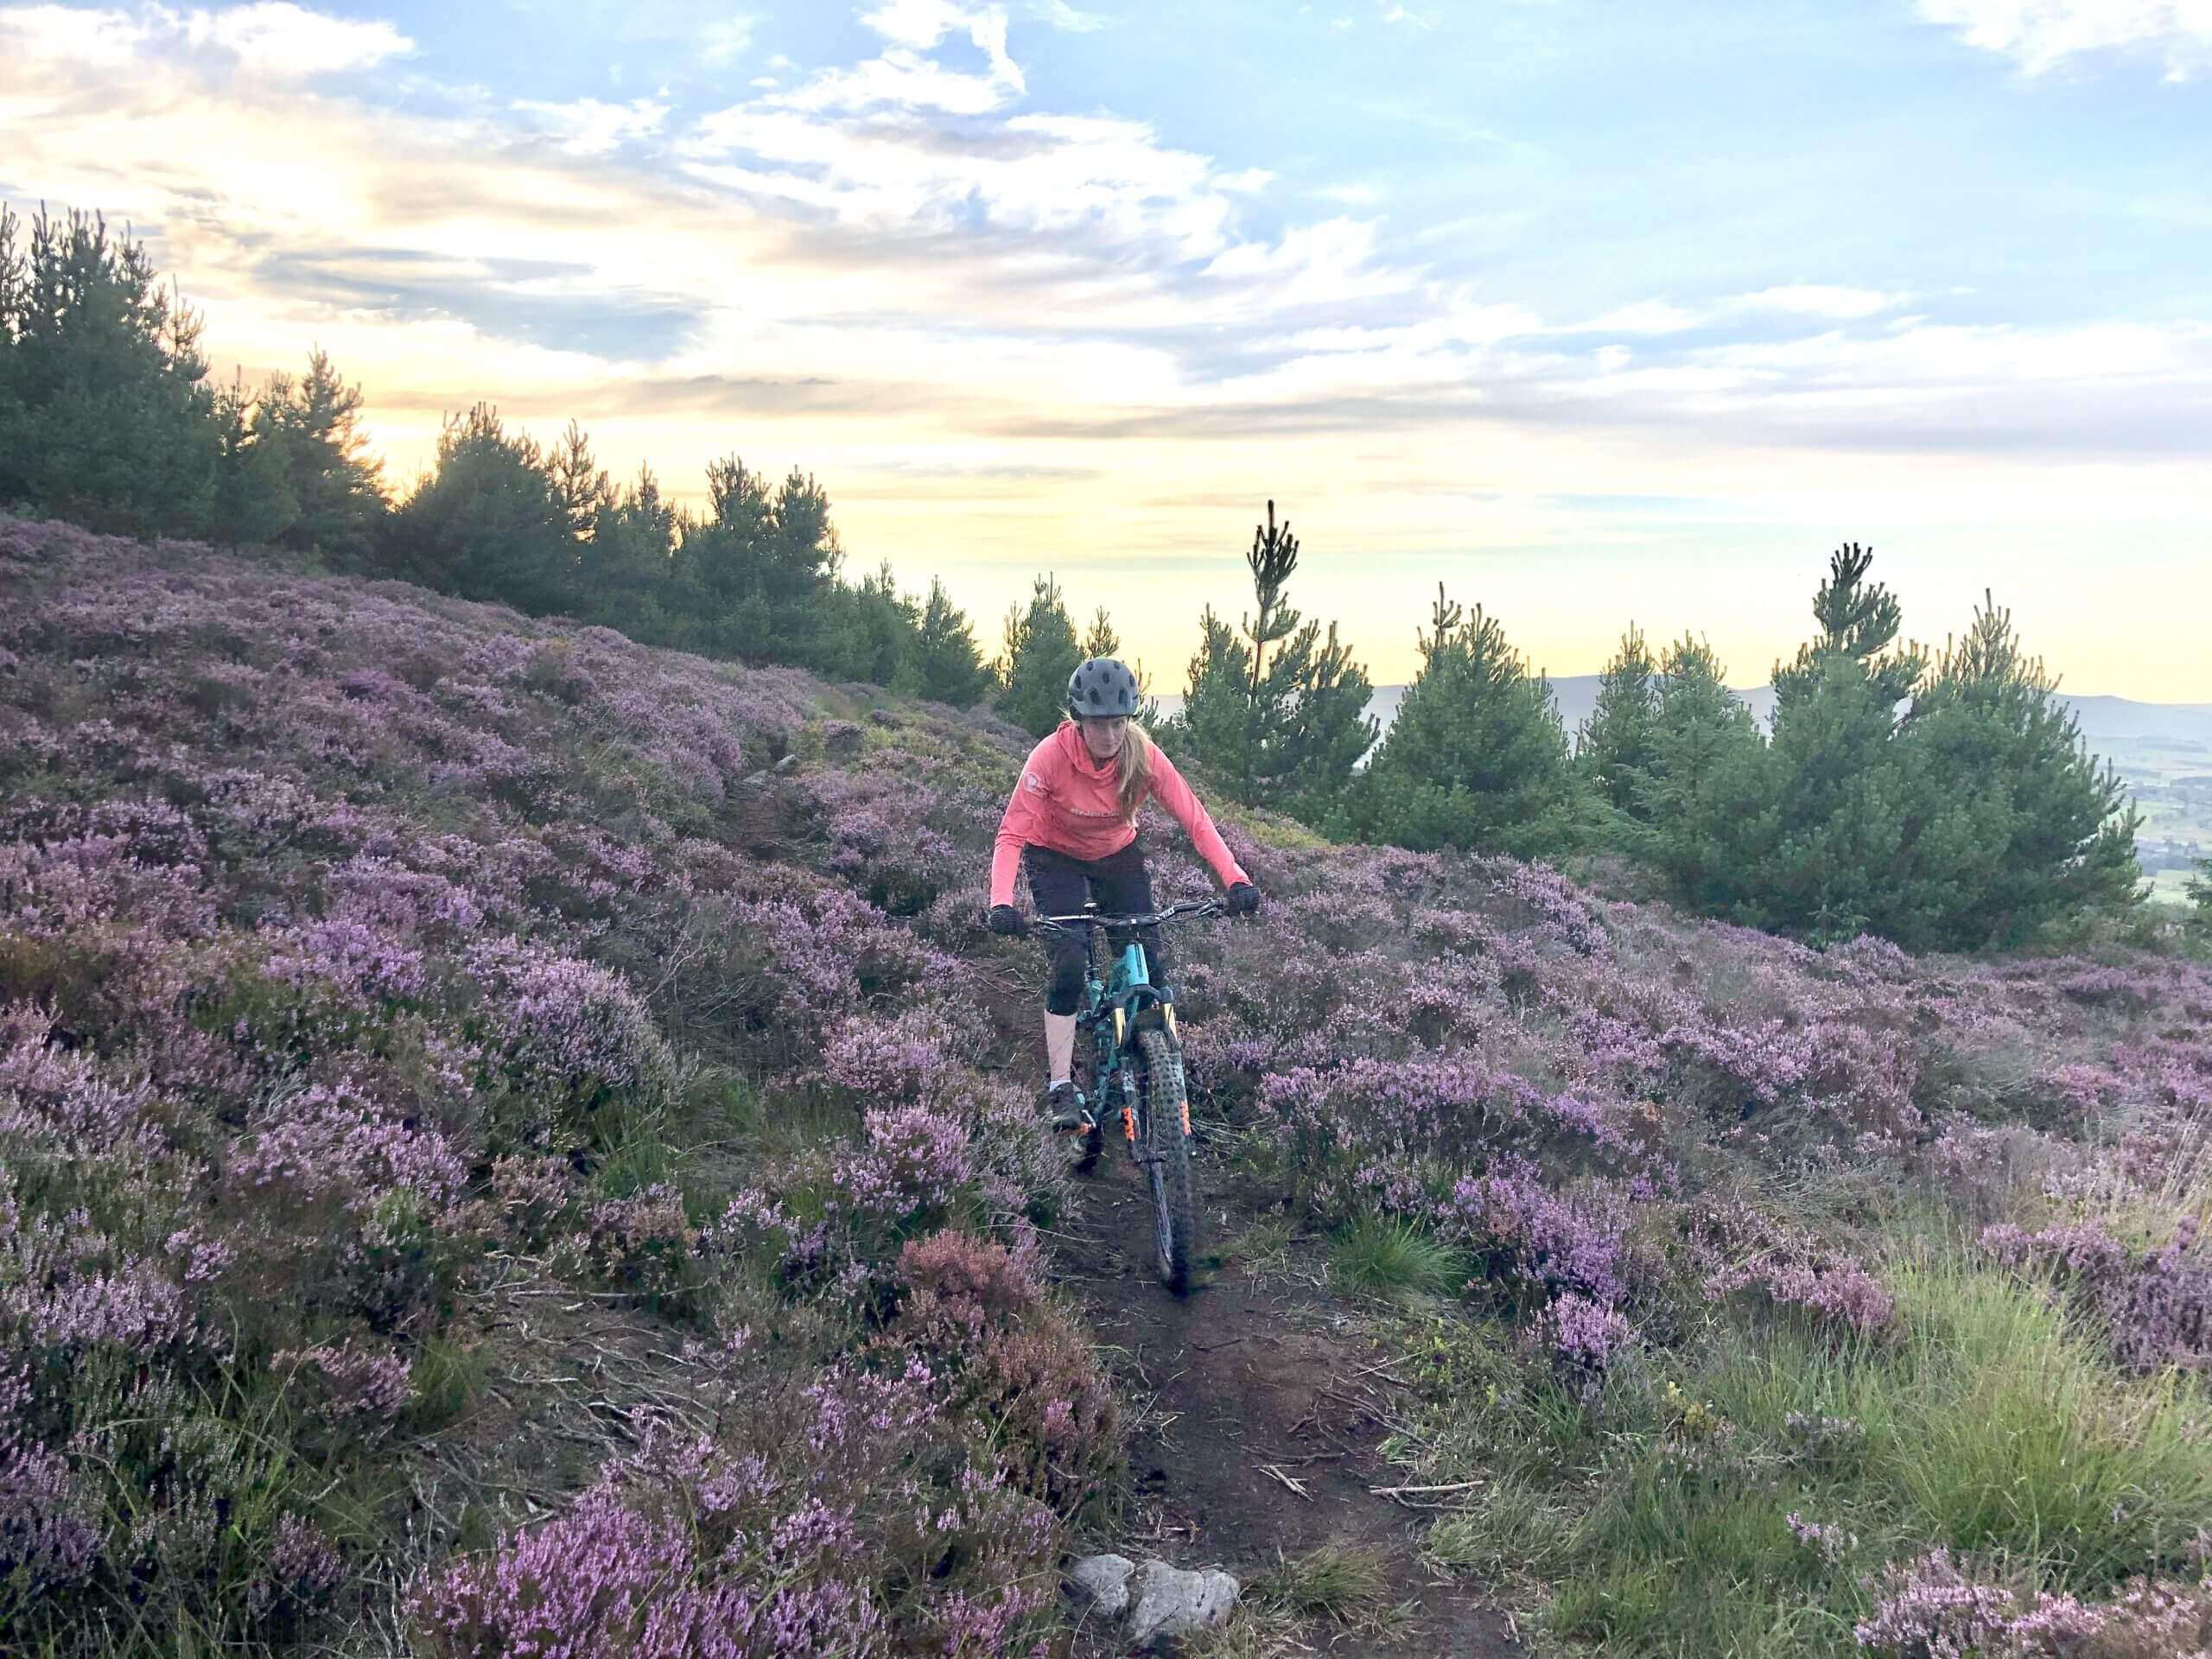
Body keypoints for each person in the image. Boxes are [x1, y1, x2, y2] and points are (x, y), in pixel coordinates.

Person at [988, 657, 1260, 1129]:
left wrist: (1235, 878)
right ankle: (1060, 1086)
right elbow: (1012, 833)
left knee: (1149, 963)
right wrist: (1001, 902)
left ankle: (1162, 1069)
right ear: (1079, 722)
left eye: (1118, 723)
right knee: (1070, 963)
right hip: (1055, 857)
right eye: (1099, 725)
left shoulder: (1143, 756)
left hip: (1118, 855)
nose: (1110, 736)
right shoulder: (1049, 758)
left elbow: (1195, 820)